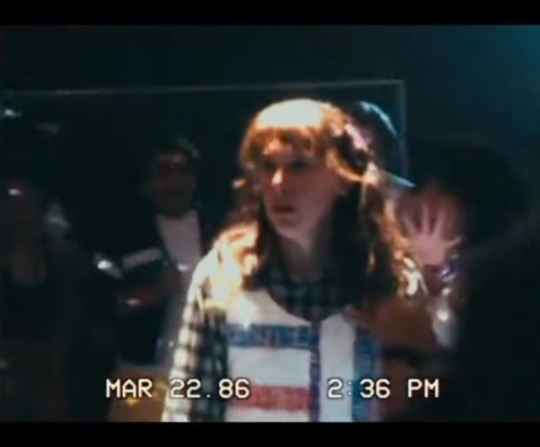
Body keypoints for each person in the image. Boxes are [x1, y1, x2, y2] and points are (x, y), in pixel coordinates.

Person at [161, 98, 441, 423]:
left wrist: (411, 347)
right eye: (268, 166)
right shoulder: (222, 278)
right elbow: (188, 411)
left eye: (299, 166)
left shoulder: (390, 281)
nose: (278, 182)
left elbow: (428, 401)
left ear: (342, 179)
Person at [107, 134, 218, 421]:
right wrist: (154, 293)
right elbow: (104, 306)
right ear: (147, 183)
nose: (174, 181)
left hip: (205, 371)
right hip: (140, 371)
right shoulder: (124, 233)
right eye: (164, 172)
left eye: (182, 170)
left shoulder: (221, 229)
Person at [0, 179, 90, 421]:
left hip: (47, 359)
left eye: (26, 207)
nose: (20, 217)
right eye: (12, 208)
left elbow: (68, 311)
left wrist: (56, 354)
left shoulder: (57, 258)